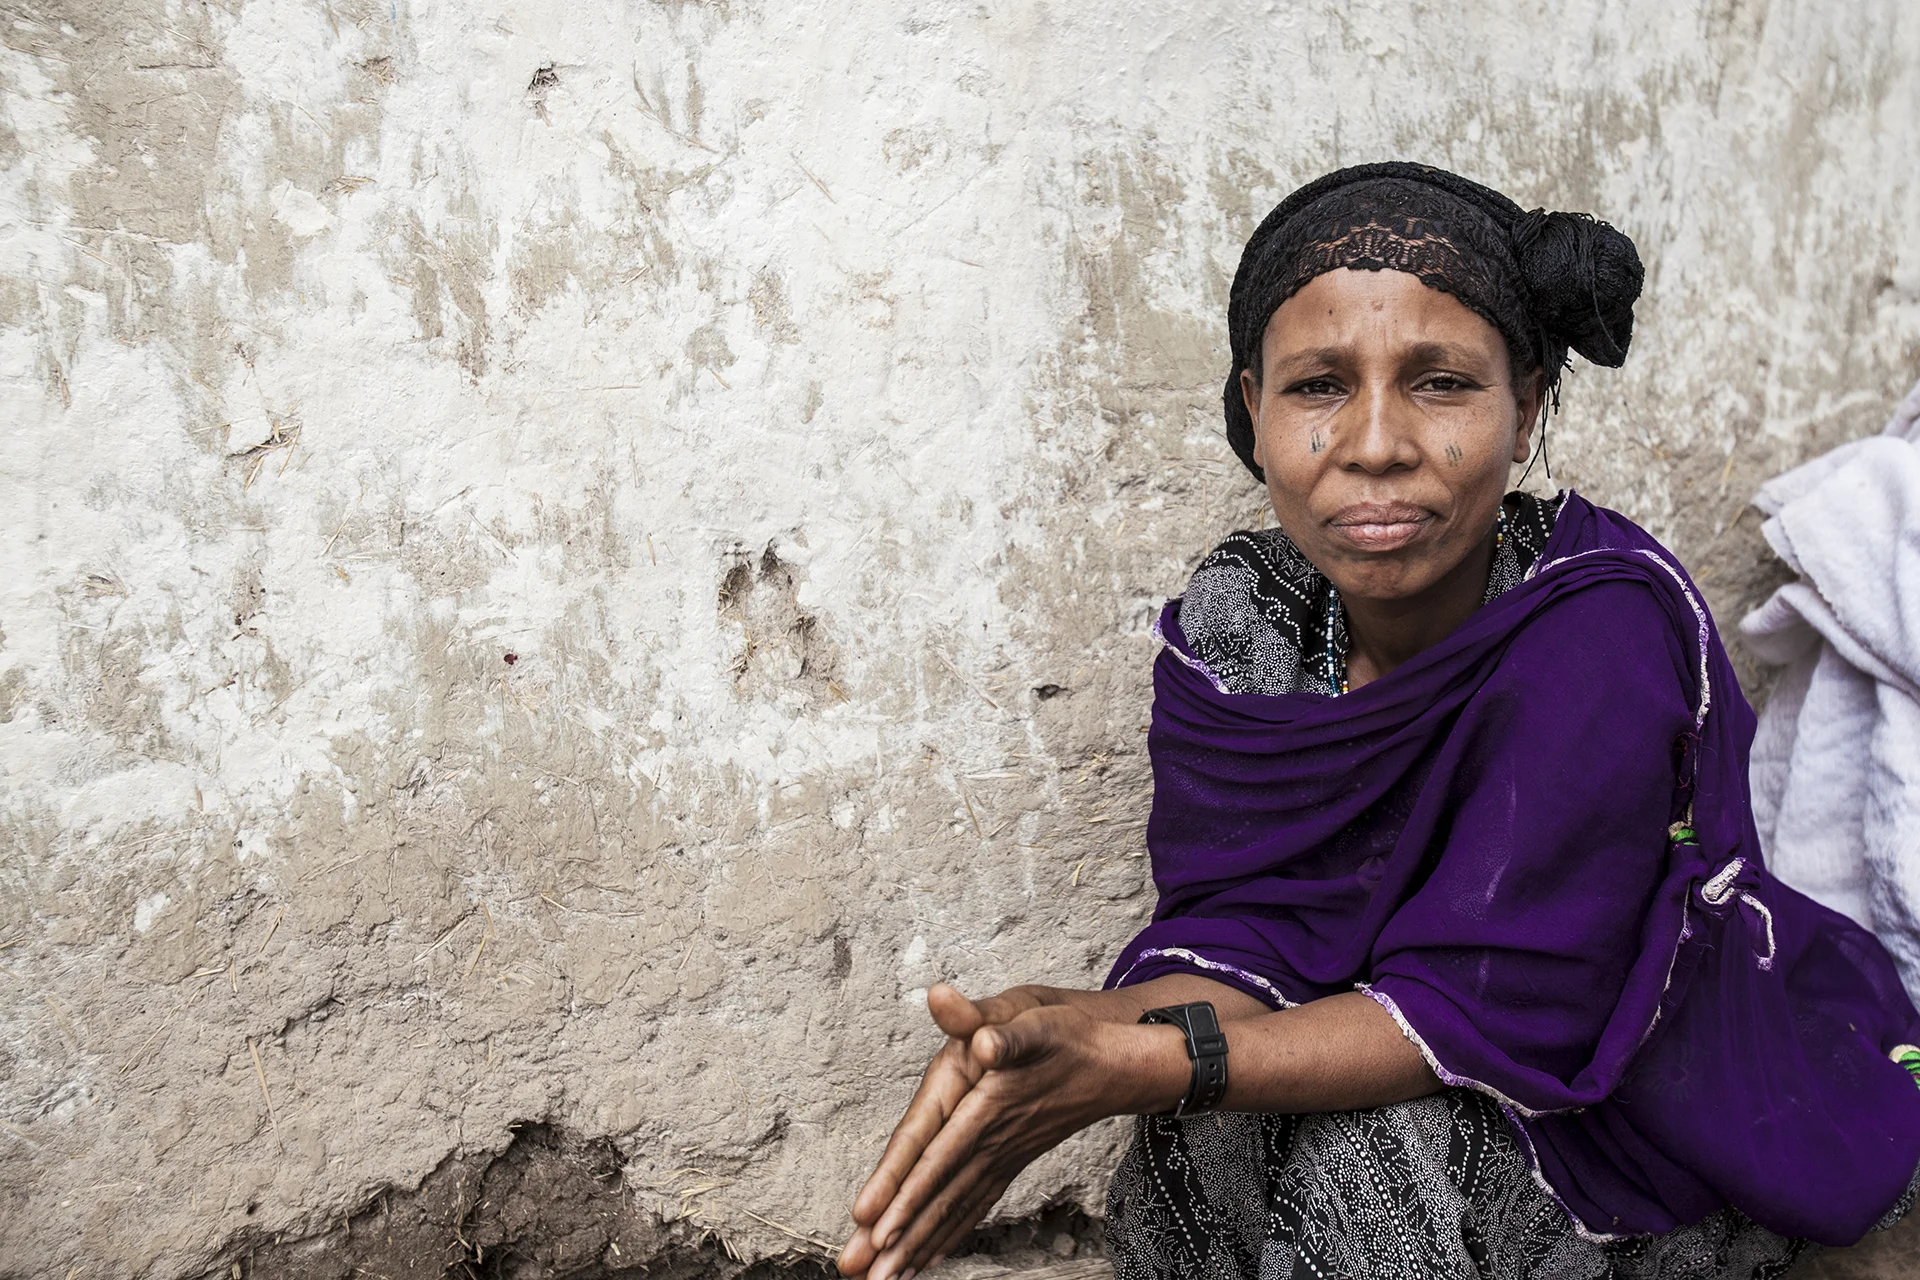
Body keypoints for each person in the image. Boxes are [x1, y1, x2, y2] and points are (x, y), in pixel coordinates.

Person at [835, 163, 1920, 1280]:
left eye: (1441, 383)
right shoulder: (1244, 617)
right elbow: (1248, 939)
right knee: (1187, 1149)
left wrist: (1149, 1060)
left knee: (1365, 1163)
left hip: (1644, 1097)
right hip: (1405, 1046)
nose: (1376, 442)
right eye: (1318, 387)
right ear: (1253, 410)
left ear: (1527, 407)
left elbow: (1492, 1003)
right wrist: (1057, 1029)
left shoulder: (1598, 628)